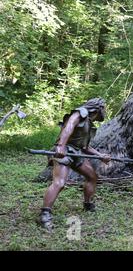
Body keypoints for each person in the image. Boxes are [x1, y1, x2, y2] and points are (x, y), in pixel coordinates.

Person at [39, 98, 111, 231]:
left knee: (92, 176)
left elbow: (85, 147)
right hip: (65, 151)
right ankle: (44, 214)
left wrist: (100, 156)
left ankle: (88, 204)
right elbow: (69, 127)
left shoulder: (89, 123)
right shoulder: (80, 113)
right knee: (59, 183)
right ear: (98, 108)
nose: (104, 112)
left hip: (76, 153)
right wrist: (61, 146)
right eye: (104, 108)